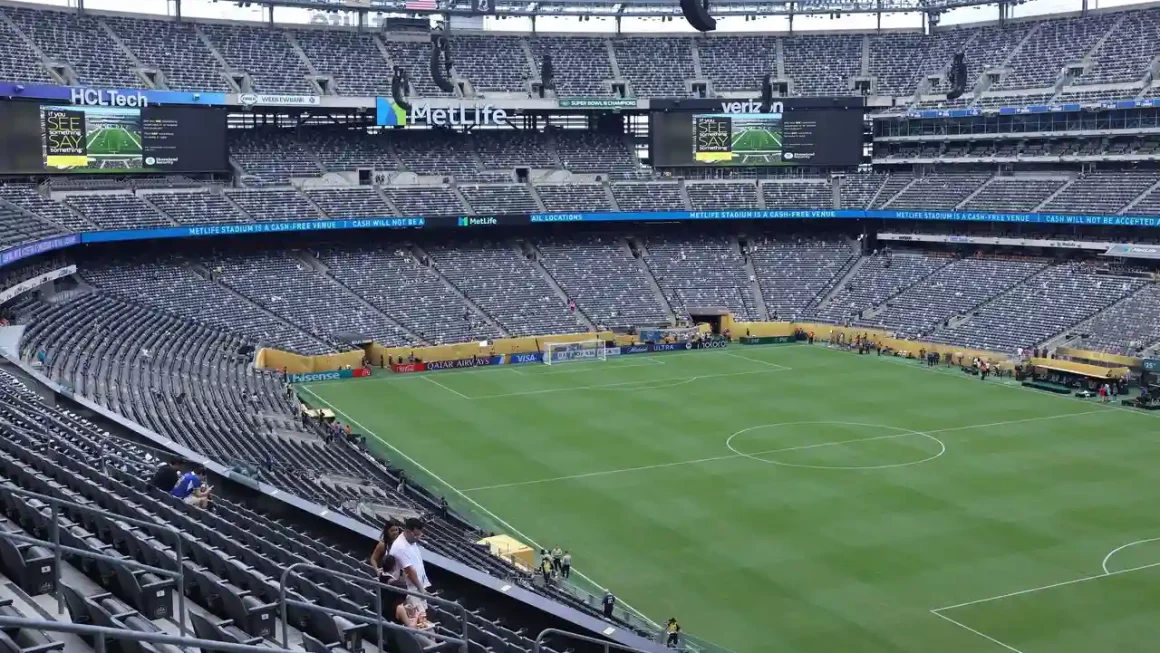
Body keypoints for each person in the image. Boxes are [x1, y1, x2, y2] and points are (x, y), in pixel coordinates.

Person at [389, 518, 431, 611]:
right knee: (418, 616)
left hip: (417, 588)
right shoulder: (400, 546)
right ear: (408, 531)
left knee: (422, 615)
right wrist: (422, 590)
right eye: (416, 535)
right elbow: (409, 570)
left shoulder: (411, 540)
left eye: (419, 535)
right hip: (410, 590)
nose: (418, 537)